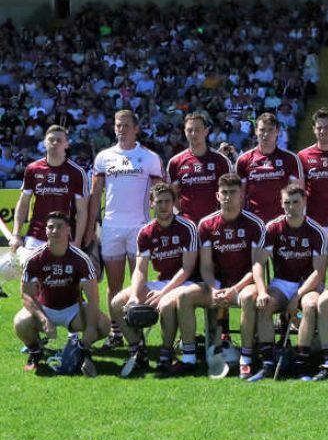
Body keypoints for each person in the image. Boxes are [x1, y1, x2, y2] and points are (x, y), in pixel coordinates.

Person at [84, 110, 163, 348]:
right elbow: (95, 195)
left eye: (126, 125)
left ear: (136, 129)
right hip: (111, 228)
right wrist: (90, 228)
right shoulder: (104, 157)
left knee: (139, 285)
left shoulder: (149, 157)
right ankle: (116, 333)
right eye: (118, 125)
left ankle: (136, 332)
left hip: (140, 228)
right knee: (114, 285)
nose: (122, 129)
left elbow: (160, 194)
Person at [176, 173, 265, 379]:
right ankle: (189, 358)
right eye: (224, 193)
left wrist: (233, 290)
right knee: (184, 296)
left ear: (241, 195)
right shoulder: (206, 225)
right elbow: (206, 265)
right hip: (215, 285)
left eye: (233, 192)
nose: (228, 197)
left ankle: (246, 358)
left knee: (250, 297)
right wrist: (215, 289)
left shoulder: (254, 224)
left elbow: (256, 266)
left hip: (243, 285)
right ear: (217, 195)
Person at [108, 182, 201, 375]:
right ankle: (137, 351)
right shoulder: (146, 232)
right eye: (159, 202)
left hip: (187, 282)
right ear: (151, 204)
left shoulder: (187, 227)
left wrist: (162, 294)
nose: (164, 206)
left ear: (174, 203)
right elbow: (141, 269)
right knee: (117, 303)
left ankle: (166, 352)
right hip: (162, 281)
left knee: (166, 304)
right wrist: (134, 295)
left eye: (167, 201)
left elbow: (187, 269)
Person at [14, 211, 110, 374]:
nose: (55, 231)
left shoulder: (81, 259)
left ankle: (80, 349)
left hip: (73, 310)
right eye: (51, 227)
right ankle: (35, 351)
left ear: (68, 230)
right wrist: (44, 319)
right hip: (45, 309)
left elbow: (93, 297)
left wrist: (90, 331)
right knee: (20, 323)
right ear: (45, 231)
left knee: (104, 325)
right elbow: (26, 296)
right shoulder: (34, 259)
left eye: (60, 227)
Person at [250, 184, 328, 380]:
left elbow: (319, 272)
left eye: (296, 202)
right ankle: (268, 362)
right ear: (281, 203)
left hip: (309, 285)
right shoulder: (273, 227)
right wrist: (261, 291)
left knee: (308, 307)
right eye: (287, 202)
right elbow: (258, 263)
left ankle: (301, 364)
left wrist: (298, 296)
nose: (291, 207)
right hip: (282, 283)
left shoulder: (316, 231)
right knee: (265, 306)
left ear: (304, 203)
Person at [11, 125, 88, 253]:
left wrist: (78, 241)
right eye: (51, 140)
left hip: (65, 237)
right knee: (31, 273)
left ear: (66, 145)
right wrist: (16, 235)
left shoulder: (77, 172)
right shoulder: (32, 169)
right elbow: (23, 202)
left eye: (59, 140)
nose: (54, 143)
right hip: (35, 237)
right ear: (44, 143)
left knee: (61, 273)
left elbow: (82, 211)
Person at [235, 113, 304, 224]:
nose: (266, 134)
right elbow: (239, 196)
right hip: (253, 222)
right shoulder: (243, 160)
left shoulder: (291, 159)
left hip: (283, 222)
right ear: (256, 131)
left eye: (270, 130)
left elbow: (299, 194)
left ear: (277, 132)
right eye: (262, 130)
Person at [166, 112, 233, 224]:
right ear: (185, 132)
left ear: (206, 131)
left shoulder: (221, 161)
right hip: (186, 225)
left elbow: (230, 194)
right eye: (189, 130)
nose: (193, 134)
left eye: (197, 129)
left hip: (215, 224)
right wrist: (178, 216)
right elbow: (171, 195)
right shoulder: (175, 162)